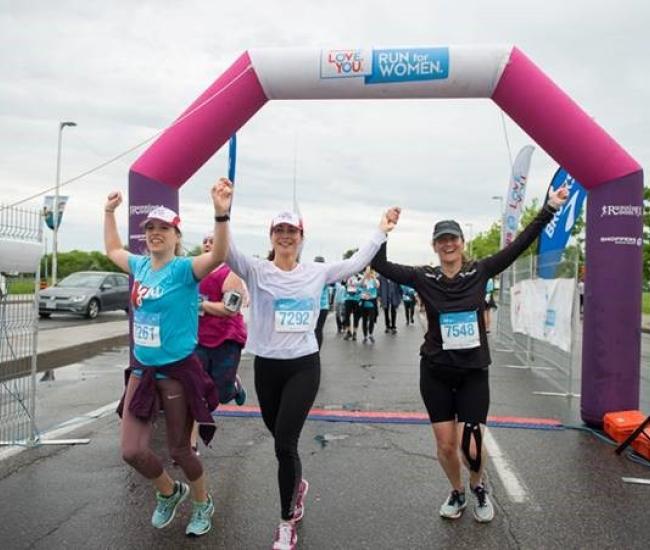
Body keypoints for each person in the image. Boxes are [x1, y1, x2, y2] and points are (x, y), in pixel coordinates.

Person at [215, 177, 399, 549]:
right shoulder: (255, 269)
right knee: (281, 441)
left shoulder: (316, 273)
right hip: (268, 367)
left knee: (285, 443)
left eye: (291, 231)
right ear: (271, 237)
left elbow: (356, 262)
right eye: (279, 231)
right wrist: (222, 212)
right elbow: (225, 251)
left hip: (303, 367)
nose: (285, 236)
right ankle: (297, 484)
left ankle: (286, 522)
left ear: (301, 237)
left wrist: (381, 230)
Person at [371, 186, 568, 524]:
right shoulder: (423, 276)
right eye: (442, 240)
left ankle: (478, 486)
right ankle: (457, 490)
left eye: (453, 239)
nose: (448, 244)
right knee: (447, 446)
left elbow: (521, 243)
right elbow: (379, 263)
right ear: (435, 246)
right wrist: (383, 231)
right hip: (435, 370)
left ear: (461, 242)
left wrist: (549, 207)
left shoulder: (480, 271)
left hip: (473, 370)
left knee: (471, 445)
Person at [105, 184, 230, 538]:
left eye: (164, 229)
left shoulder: (184, 270)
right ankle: (169, 491)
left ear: (177, 235)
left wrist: (221, 213)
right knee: (131, 450)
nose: (155, 234)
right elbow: (113, 248)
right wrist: (109, 212)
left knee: (180, 449)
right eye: (150, 229)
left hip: (177, 372)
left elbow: (219, 254)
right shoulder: (140, 265)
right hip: (142, 371)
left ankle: (203, 503)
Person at [196, 234, 248, 407]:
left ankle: (235, 386)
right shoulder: (195, 271)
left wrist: (202, 305)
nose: (208, 245)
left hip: (226, 339)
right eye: (205, 242)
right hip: (198, 338)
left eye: (213, 241)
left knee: (222, 395)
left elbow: (230, 309)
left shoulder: (231, 273)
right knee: (198, 386)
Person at [313, 256, 330, 349]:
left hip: (318, 306)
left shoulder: (315, 276)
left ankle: (315, 351)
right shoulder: (326, 275)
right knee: (318, 329)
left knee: (315, 330)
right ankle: (316, 351)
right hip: (323, 306)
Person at [359, 266, 379, 343]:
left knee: (371, 319)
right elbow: (360, 284)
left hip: (372, 302)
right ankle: (365, 336)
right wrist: (364, 277)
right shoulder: (363, 280)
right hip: (364, 302)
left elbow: (377, 286)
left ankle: (371, 334)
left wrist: (373, 277)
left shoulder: (375, 280)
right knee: (364, 320)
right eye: (367, 272)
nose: (368, 273)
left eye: (370, 272)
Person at [342, 272, 362, 341]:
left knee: (356, 316)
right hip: (348, 298)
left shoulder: (360, 277)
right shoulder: (347, 276)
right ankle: (349, 332)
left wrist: (357, 291)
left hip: (356, 299)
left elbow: (362, 287)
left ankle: (355, 333)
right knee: (347, 315)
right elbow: (343, 284)